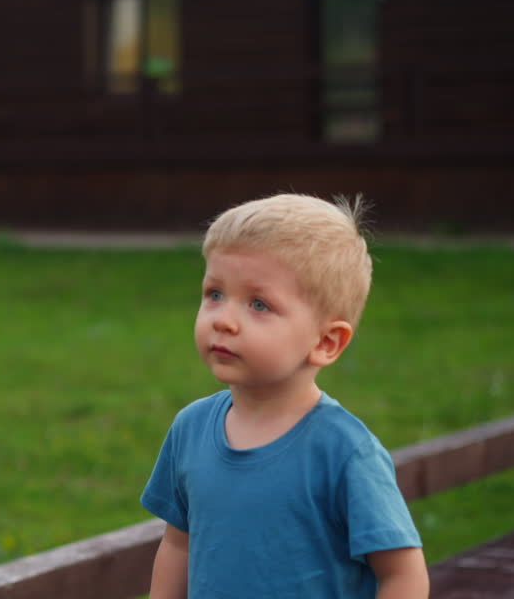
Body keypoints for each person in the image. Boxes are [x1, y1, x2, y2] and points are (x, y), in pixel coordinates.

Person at [141, 194, 429, 598]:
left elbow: (403, 574)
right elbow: (178, 545)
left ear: (327, 342)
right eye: (215, 294)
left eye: (258, 304)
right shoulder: (191, 429)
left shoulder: (343, 452)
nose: (223, 319)